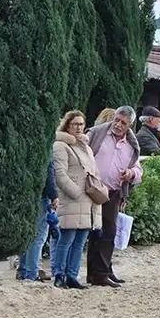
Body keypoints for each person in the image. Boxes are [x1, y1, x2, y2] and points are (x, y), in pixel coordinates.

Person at [85, 106, 142, 288]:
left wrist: (131, 173)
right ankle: (94, 273)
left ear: (130, 125)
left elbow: (139, 170)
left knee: (108, 233)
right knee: (92, 233)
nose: (118, 124)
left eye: (123, 122)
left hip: (113, 192)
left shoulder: (131, 145)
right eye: (116, 120)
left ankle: (101, 273)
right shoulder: (97, 134)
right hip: (91, 189)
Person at [49, 110, 101, 290]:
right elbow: (60, 173)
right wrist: (76, 193)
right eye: (75, 124)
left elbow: (94, 171)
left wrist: (98, 190)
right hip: (72, 198)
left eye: (81, 124)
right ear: (67, 126)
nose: (79, 128)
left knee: (80, 241)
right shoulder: (60, 146)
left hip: (88, 198)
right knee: (66, 239)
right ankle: (59, 274)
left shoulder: (86, 147)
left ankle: (72, 275)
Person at [17, 145, 59, 282]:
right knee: (38, 235)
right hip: (40, 195)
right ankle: (31, 273)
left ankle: (23, 270)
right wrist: (54, 195)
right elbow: (49, 171)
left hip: (24, 192)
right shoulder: (45, 144)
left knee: (27, 234)